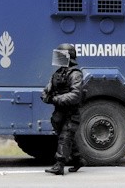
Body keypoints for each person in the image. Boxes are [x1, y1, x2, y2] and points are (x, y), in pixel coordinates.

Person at [41, 43, 84, 175]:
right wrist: (46, 96)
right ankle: (78, 159)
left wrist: (55, 99)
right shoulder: (57, 73)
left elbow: (75, 95)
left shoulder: (75, 74)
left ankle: (59, 165)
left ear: (68, 57)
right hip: (59, 114)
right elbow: (48, 90)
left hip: (71, 113)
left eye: (60, 55)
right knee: (65, 137)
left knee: (65, 138)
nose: (58, 58)